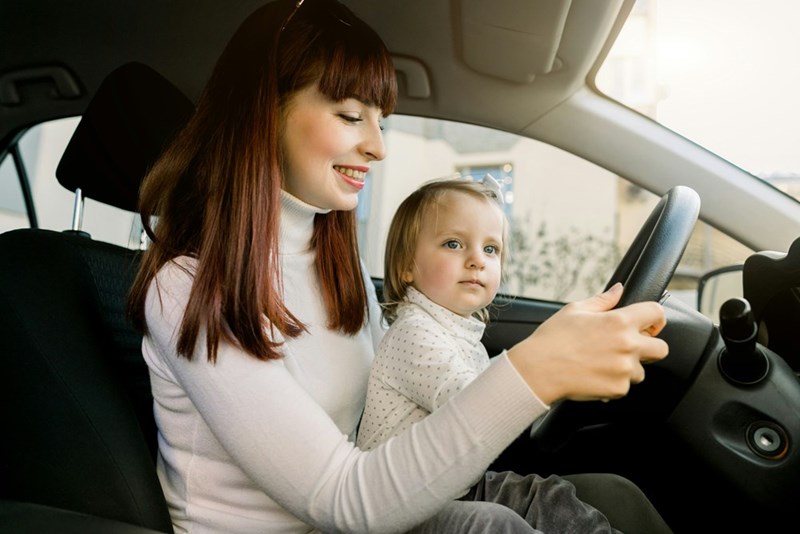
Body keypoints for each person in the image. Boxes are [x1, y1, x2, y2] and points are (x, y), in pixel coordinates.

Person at [127, 0, 672, 532]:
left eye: (380, 121)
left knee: (613, 497)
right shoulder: (187, 287)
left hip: (363, 513)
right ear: (262, 113)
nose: (378, 146)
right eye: (349, 116)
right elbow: (343, 498)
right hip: (327, 519)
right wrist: (539, 369)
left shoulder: (331, 262)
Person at [357, 177, 628, 533]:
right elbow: (474, 404)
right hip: (395, 513)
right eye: (454, 244)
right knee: (492, 524)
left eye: (491, 249)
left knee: (547, 497)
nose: (476, 261)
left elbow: (492, 378)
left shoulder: (459, 331)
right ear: (407, 265)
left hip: (449, 491)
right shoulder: (413, 334)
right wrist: (549, 373)